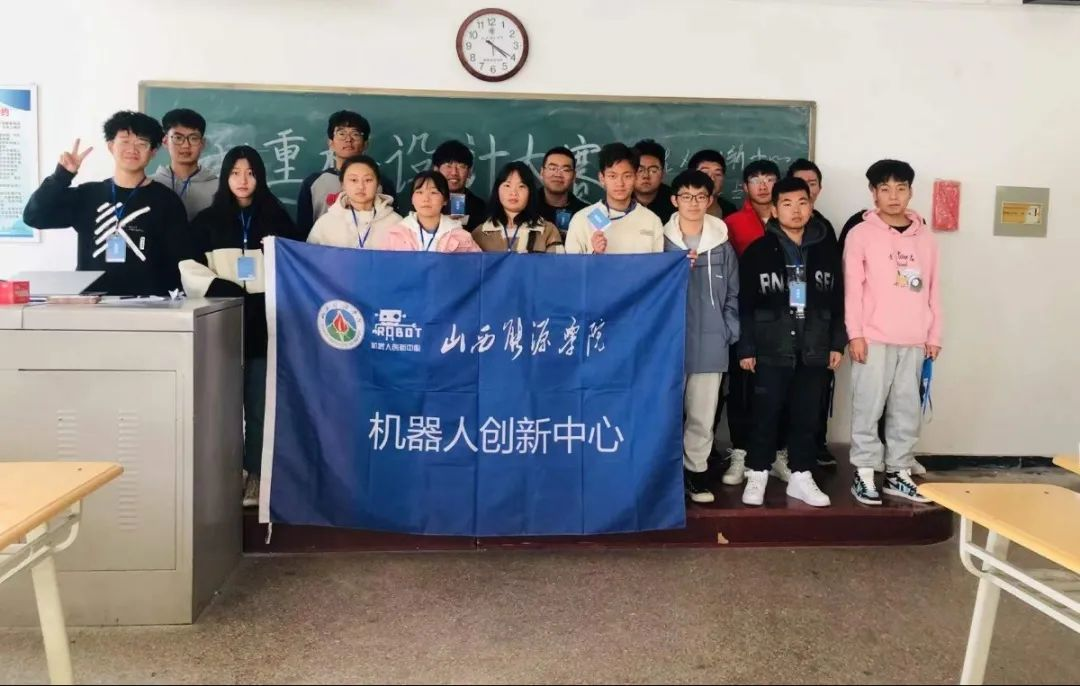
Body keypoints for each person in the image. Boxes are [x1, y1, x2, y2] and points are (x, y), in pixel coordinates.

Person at [179, 146, 299, 506]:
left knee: (259, 406)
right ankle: (224, 474)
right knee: (223, 406)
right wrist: (221, 287)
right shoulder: (207, 220)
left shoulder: (278, 218)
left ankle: (256, 474)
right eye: (235, 172)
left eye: (250, 173)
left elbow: (295, 267)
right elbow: (187, 265)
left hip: (266, 326)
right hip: (222, 323)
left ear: (260, 177)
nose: (243, 180)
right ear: (225, 176)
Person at [736, 177, 845, 508]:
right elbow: (745, 305)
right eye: (787, 203)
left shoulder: (826, 252)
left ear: (811, 207)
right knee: (765, 413)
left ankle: (801, 475)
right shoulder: (757, 252)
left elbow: (838, 301)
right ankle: (757, 472)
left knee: (807, 415)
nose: (795, 210)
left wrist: (836, 343)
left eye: (802, 202)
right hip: (771, 346)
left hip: (814, 346)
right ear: (774, 209)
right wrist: (747, 347)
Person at [845, 160, 940, 506]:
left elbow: (933, 289)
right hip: (873, 338)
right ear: (873, 193)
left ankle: (898, 472)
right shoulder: (860, 234)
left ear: (911, 192)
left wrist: (934, 335)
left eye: (901, 188)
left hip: (914, 339)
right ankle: (865, 472)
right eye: (885, 189)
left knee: (906, 409)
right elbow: (853, 289)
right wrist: (855, 333)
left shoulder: (925, 238)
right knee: (868, 406)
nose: (893, 196)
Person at [22, 110, 190, 296]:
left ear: (153, 152)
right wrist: (61, 176)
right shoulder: (87, 195)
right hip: (93, 303)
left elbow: (179, 261)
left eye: (141, 143)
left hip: (149, 304)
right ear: (111, 146)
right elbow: (34, 216)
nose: (132, 149)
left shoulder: (166, 200)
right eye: (125, 141)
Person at [663, 170, 739, 504]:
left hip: (711, 341)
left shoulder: (722, 243)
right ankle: (665, 476)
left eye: (700, 197)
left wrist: (728, 329)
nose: (693, 203)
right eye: (686, 196)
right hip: (669, 342)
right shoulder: (661, 241)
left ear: (710, 200)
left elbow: (733, 293)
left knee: (702, 414)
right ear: (674, 200)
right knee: (665, 412)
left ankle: (695, 473)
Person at [717, 159, 786, 487]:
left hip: (784, 322)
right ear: (745, 187)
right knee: (742, 390)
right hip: (744, 316)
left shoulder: (792, 218)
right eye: (755, 180)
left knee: (783, 389)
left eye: (769, 179)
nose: (763, 185)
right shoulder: (731, 223)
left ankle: (778, 454)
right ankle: (741, 452)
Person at [786, 159, 838, 467]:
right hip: (781, 329)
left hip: (817, 328)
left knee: (816, 393)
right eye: (799, 182)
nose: (806, 188)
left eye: (812, 183)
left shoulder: (824, 229)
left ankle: (816, 446)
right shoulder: (776, 232)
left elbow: (835, 283)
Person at [564, 143, 663, 255]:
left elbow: (658, 264)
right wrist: (594, 254)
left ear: (635, 177)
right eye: (612, 176)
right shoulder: (581, 219)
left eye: (627, 176)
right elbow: (570, 264)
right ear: (602, 178)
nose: (620, 183)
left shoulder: (652, 221)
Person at [296, 110, 381, 236]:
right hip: (322, 246)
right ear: (330, 143)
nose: (348, 139)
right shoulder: (313, 182)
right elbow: (303, 231)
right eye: (341, 133)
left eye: (355, 134)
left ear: (365, 144)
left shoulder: (381, 182)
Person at [307, 155, 402, 249]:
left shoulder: (395, 222)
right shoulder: (326, 223)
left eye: (368, 180)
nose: (361, 186)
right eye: (353, 180)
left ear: (377, 184)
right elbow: (310, 255)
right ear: (343, 184)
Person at [379, 171, 480, 253]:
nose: (426, 199)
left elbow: (477, 266)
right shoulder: (396, 234)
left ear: (445, 200)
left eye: (433, 192)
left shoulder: (460, 236)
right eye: (419, 192)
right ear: (412, 199)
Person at [472, 162, 562, 253]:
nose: (513, 193)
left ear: (530, 192)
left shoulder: (548, 230)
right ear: (497, 190)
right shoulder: (479, 233)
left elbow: (557, 261)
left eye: (521, 186)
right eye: (507, 185)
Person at [152, 108, 218, 220]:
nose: (186, 145)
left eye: (193, 138)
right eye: (178, 138)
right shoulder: (149, 186)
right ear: (165, 141)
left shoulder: (219, 188)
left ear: (202, 143)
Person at [537, 146, 588, 235]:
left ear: (574, 176)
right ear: (542, 172)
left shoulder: (586, 212)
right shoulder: (526, 207)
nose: (558, 174)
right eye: (552, 168)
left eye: (565, 170)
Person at [632, 139, 674, 223]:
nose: (646, 176)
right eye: (640, 170)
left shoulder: (676, 202)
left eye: (653, 171)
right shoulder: (620, 199)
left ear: (662, 174)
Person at [687, 149, 738, 218]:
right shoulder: (676, 209)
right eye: (705, 173)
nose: (712, 179)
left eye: (717, 174)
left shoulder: (730, 210)